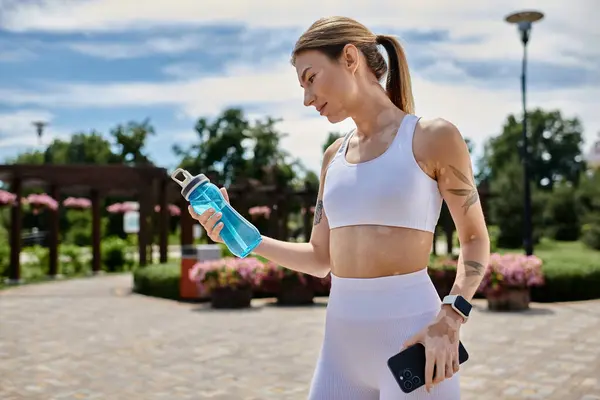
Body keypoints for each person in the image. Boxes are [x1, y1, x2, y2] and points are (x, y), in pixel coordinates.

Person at [189, 16, 490, 400]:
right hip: (340, 346)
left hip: (414, 341)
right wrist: (246, 239)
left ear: (350, 58)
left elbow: (475, 237)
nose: (306, 98)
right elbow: (320, 259)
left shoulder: (432, 137)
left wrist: (451, 317)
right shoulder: (334, 157)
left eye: (310, 78)